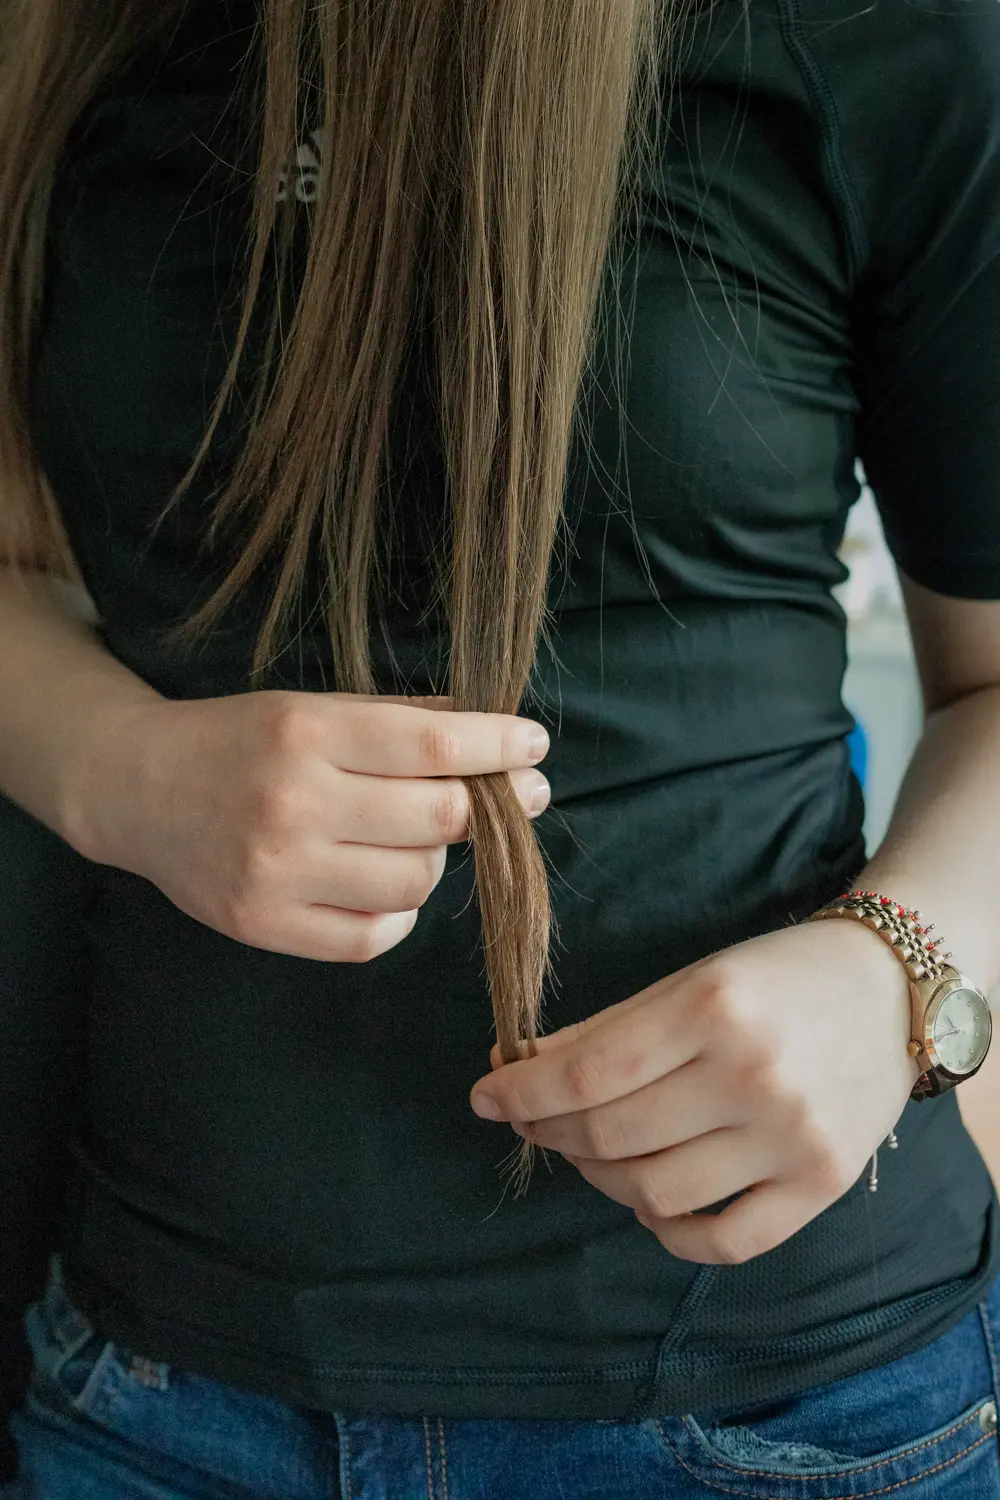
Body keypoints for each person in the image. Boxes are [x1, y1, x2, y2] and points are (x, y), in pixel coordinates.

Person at [2, 0, 1000, 1494]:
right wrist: (121, 773)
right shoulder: (70, 38)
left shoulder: (886, 38)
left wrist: (894, 970)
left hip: (789, 1409)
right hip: (159, 1384)